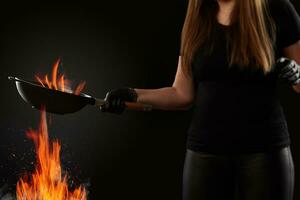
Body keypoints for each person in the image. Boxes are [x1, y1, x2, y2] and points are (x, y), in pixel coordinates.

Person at [100, 0, 300, 199]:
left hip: (264, 154)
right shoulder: (198, 16)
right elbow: (181, 94)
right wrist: (132, 94)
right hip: (205, 154)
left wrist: (297, 76)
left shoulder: (277, 9)